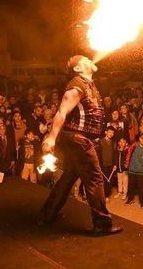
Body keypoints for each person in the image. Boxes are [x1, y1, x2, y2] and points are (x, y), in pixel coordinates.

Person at [38, 55, 122, 236]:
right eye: (84, 60)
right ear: (77, 68)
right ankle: (102, 223)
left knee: (69, 176)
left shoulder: (88, 84)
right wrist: (51, 138)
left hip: (77, 139)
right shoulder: (77, 86)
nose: (90, 60)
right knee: (94, 178)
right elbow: (61, 112)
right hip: (79, 139)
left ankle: (47, 214)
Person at [125, 132, 143, 208]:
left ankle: (142, 203)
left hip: (141, 172)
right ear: (139, 138)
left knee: (141, 188)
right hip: (132, 169)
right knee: (130, 186)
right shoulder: (134, 146)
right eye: (142, 138)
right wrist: (127, 164)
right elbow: (129, 154)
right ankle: (130, 199)